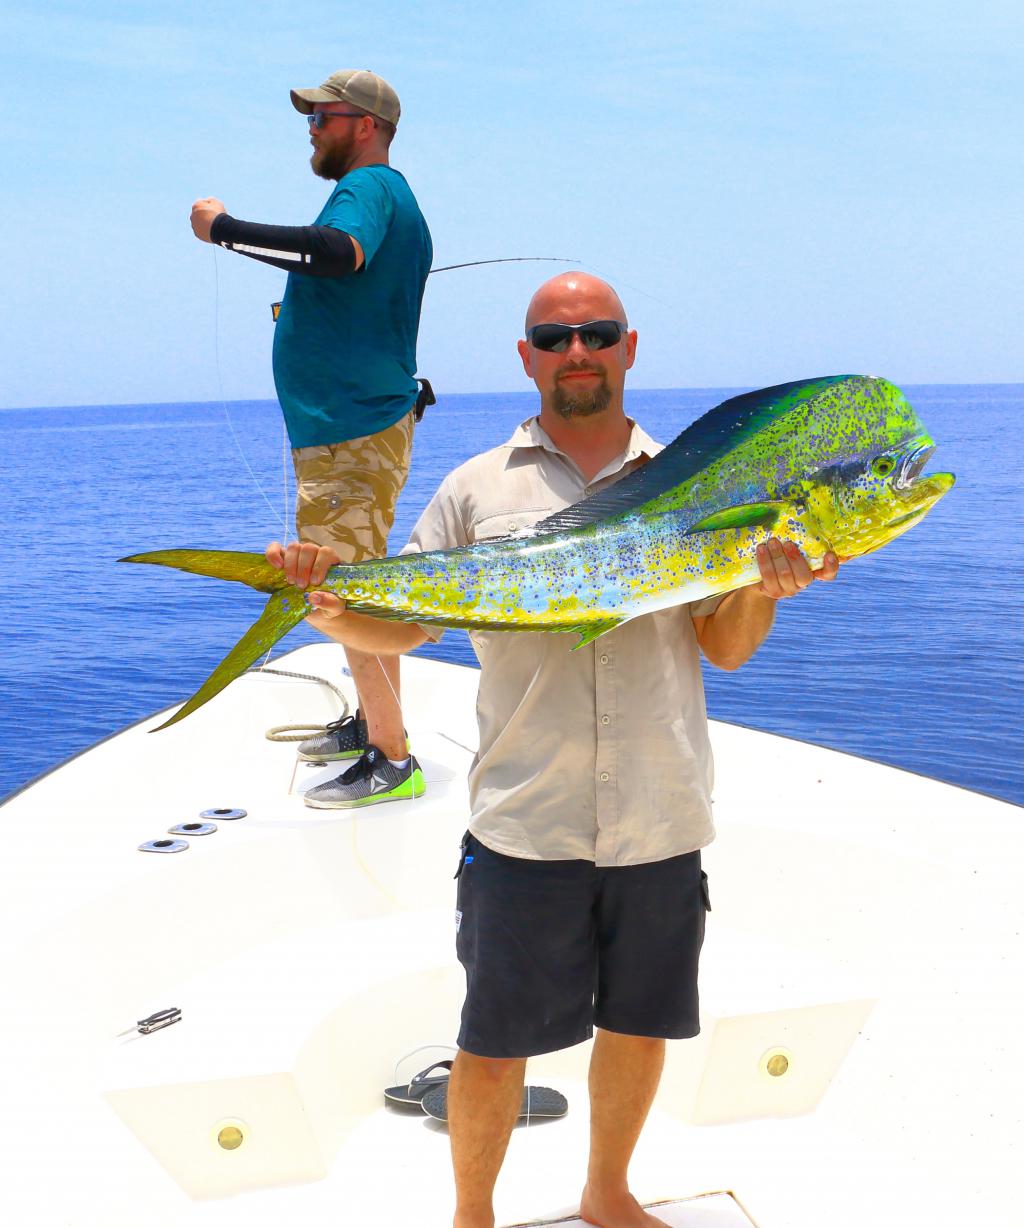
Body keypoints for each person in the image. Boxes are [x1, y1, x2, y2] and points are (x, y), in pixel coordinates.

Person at [267, 273, 842, 1227]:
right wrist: (328, 608)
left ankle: (608, 1195)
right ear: (528, 357)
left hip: (659, 814)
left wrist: (763, 587)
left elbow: (726, 648)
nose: (578, 350)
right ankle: (472, 1217)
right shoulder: (474, 488)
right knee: (493, 1041)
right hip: (526, 821)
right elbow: (403, 632)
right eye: (555, 336)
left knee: (639, 1026)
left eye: (597, 333)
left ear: (628, 346)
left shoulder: (699, 480)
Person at [190, 69, 432, 808]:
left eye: (322, 116)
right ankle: (370, 724)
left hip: (350, 433)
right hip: (352, 428)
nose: (311, 127)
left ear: (364, 124)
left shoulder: (369, 190)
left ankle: (393, 759)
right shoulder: (383, 197)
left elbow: (337, 254)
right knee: (343, 580)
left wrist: (223, 231)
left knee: (342, 591)